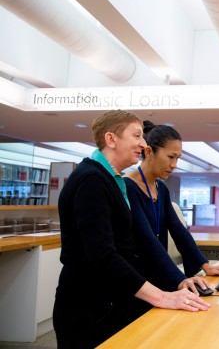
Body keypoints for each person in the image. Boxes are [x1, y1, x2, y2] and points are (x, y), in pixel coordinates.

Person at [53, 110, 210, 349]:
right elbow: (103, 256)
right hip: (90, 308)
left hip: (114, 299)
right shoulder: (92, 181)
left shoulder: (109, 179)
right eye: (136, 136)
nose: (143, 143)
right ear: (111, 139)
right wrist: (162, 296)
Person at [123, 120, 219, 294]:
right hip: (139, 280)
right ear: (148, 152)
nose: (175, 164)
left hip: (160, 271)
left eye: (177, 158)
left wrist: (205, 265)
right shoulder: (127, 187)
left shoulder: (160, 187)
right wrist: (181, 279)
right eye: (171, 157)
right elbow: (146, 239)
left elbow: (178, 230)